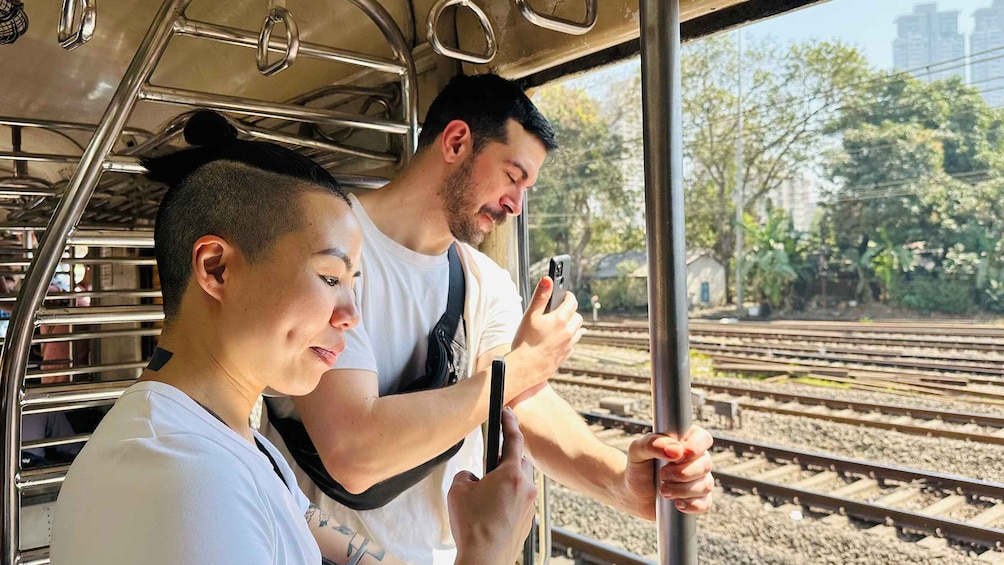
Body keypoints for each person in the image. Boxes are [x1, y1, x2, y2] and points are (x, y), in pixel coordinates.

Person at [263, 74, 715, 565]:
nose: (516, 206)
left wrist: (621, 483)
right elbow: (353, 452)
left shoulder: (484, 280)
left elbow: (517, 403)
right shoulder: (331, 251)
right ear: (456, 142)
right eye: (513, 176)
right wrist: (524, 364)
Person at [50, 112, 539, 565]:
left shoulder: (235, 443)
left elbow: (339, 545)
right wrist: (485, 552)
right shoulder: (182, 480)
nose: (351, 315)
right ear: (216, 269)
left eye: (354, 283)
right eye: (330, 278)